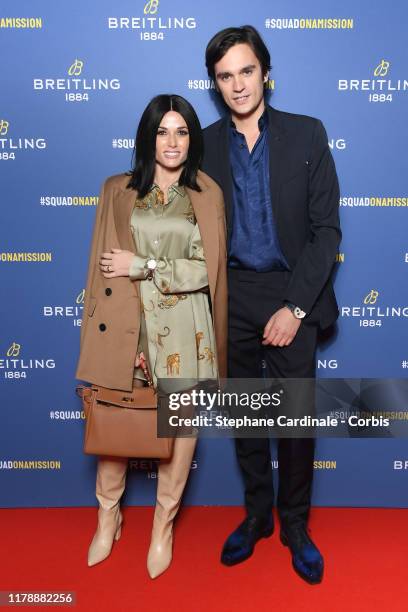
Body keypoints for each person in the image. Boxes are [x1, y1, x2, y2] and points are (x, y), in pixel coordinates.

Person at [202, 26, 341, 584]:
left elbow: (326, 232)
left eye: (246, 70)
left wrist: (295, 308)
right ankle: (258, 515)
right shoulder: (205, 144)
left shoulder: (307, 135)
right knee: (245, 416)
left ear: (265, 71)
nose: (237, 84)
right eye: (225, 75)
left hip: (293, 291)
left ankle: (295, 524)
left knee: (296, 418)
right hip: (230, 295)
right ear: (215, 83)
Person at [76, 94, 227, 578]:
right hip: (126, 327)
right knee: (116, 432)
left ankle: (163, 525)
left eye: (181, 131)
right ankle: (108, 516)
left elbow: (208, 270)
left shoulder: (207, 193)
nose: (172, 141)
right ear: (148, 136)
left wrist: (142, 265)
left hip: (187, 333)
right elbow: (101, 272)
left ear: (192, 139)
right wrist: (122, 344)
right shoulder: (117, 189)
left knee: (180, 434)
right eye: (163, 131)